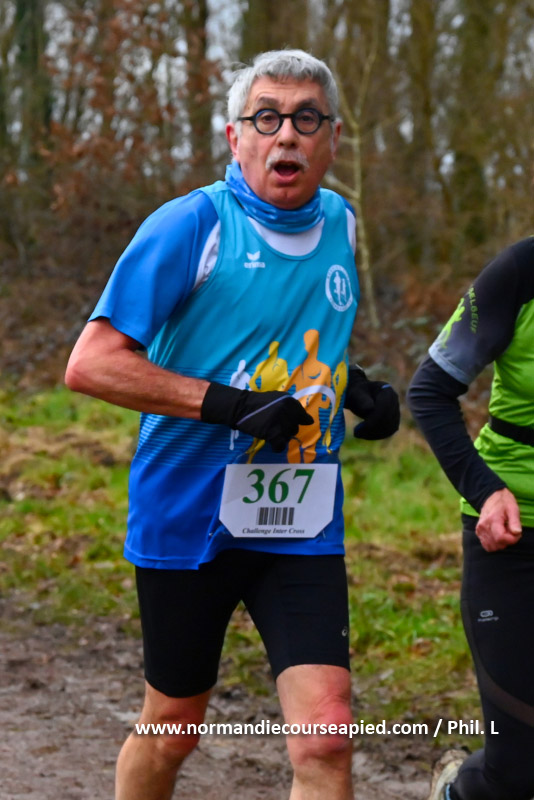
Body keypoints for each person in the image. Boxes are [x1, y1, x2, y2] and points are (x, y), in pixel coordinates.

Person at [65, 49, 400, 800]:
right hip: (188, 513)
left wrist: (354, 389)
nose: (287, 136)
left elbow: (293, 345)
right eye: (267, 118)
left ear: (334, 138)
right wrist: (230, 406)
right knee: (172, 726)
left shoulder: (342, 224)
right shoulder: (193, 225)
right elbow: (92, 365)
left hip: (300, 518)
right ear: (234, 136)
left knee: (326, 736)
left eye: (306, 119)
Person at [407, 236, 534, 800]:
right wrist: (486, 491)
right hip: (515, 535)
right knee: (519, 768)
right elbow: (429, 391)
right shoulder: (521, 271)